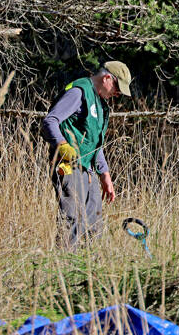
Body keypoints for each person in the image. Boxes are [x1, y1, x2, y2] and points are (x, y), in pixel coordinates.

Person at [41, 61, 131, 247]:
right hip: (69, 166)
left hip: (88, 170)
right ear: (107, 78)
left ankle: (89, 272)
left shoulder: (99, 102)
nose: (118, 94)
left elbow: (94, 142)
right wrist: (63, 145)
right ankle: (64, 269)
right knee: (72, 219)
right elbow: (50, 121)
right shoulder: (78, 92)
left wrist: (104, 174)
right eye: (117, 88)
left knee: (94, 223)